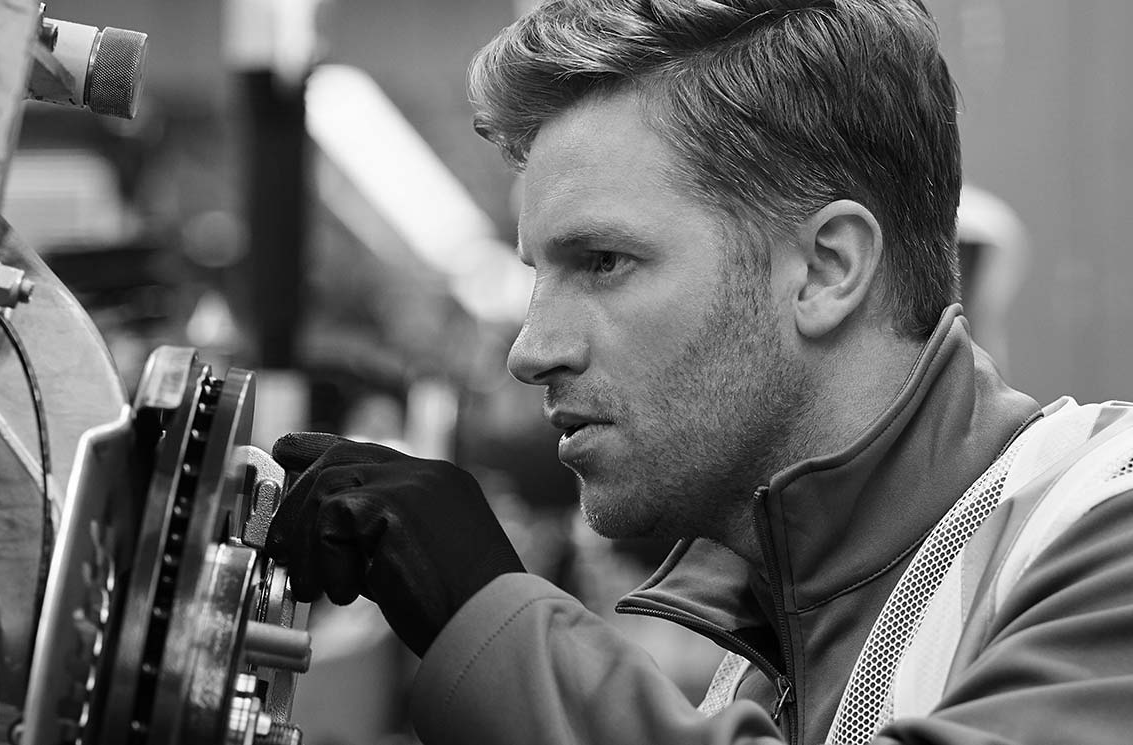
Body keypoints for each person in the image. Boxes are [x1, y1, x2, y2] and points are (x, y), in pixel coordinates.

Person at [264, 1, 1133, 744]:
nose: (530, 349)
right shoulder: (760, 657)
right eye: (540, 272)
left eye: (603, 261)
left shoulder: (1108, 525)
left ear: (827, 269)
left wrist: (492, 622)